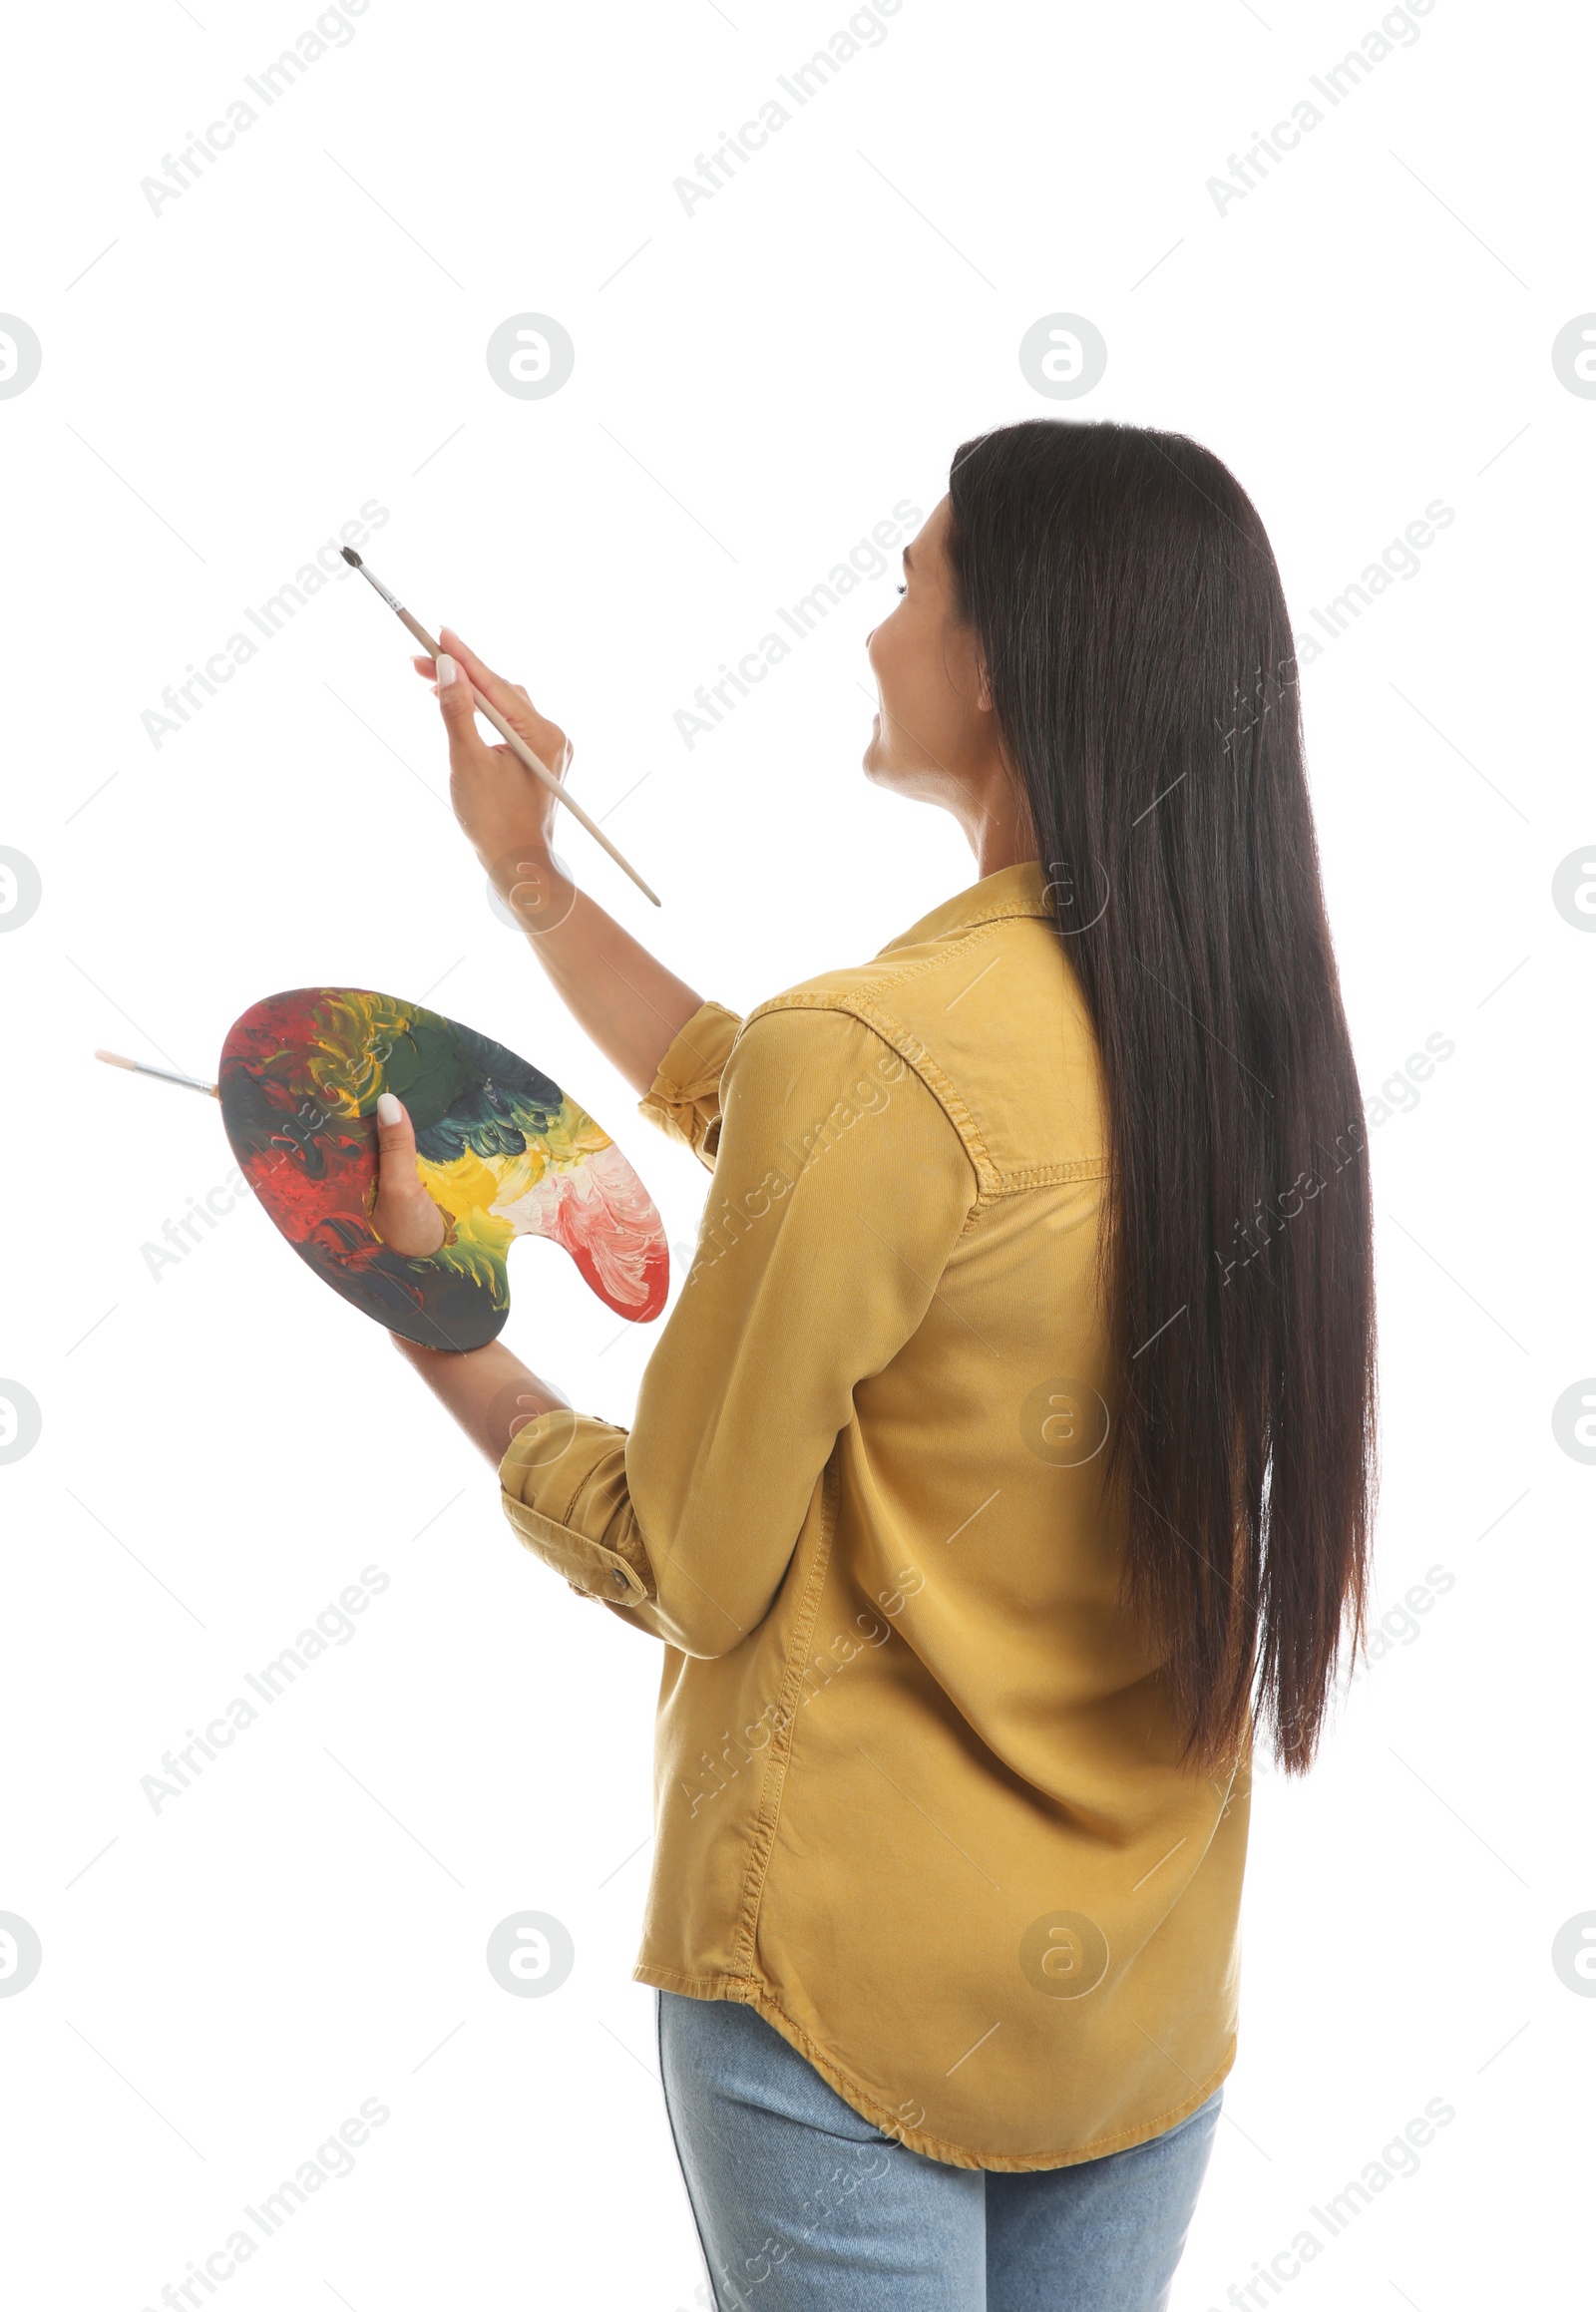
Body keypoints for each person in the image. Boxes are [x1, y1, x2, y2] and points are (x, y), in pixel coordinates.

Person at [370, 418, 1378, 2311]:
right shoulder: (1241, 1035)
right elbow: (797, 1116)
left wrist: (439, 1316)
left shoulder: (883, 1054)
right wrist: (525, 870)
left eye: (911, 583)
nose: (877, 625)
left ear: (1006, 654)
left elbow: (686, 1560)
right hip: (1143, 2007)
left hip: (844, 2013)